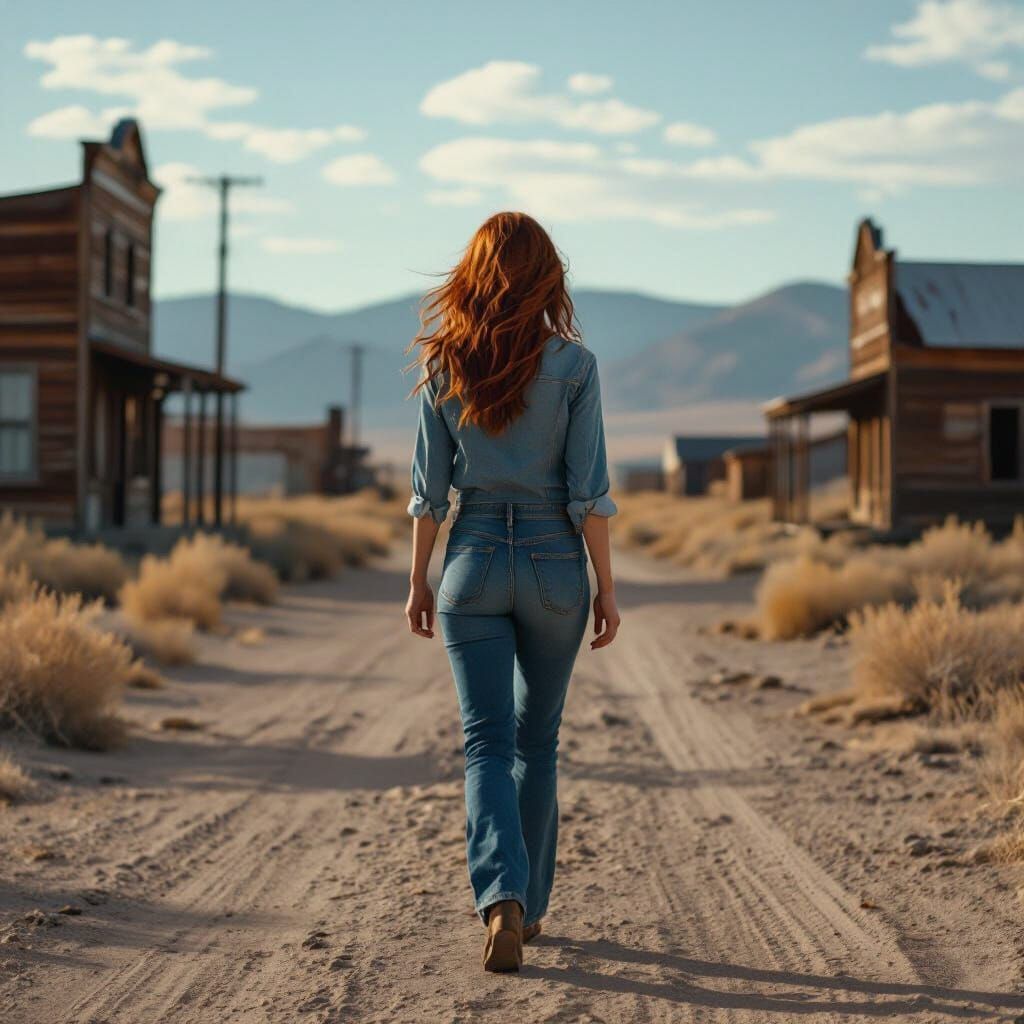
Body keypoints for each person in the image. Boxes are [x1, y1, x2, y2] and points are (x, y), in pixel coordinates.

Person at [404, 211, 620, 972]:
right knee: (538, 741)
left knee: (485, 743)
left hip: (470, 564)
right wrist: (606, 589)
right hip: (556, 564)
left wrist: (419, 583)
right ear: (547, 276)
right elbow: (589, 492)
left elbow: (428, 495)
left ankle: (500, 897)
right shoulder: (576, 367)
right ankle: (527, 911)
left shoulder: (443, 363)